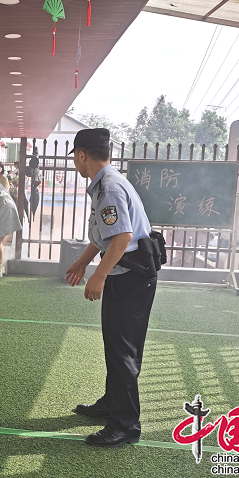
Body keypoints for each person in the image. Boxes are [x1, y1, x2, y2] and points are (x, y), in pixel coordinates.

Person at [64, 128, 157, 448]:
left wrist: (99, 275)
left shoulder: (109, 188)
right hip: (124, 274)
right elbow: (103, 234)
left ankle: (126, 423)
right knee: (115, 344)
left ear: (81, 155)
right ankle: (112, 403)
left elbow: (122, 237)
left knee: (124, 350)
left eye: (75, 158)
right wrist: (82, 263)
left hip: (130, 277)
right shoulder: (107, 182)